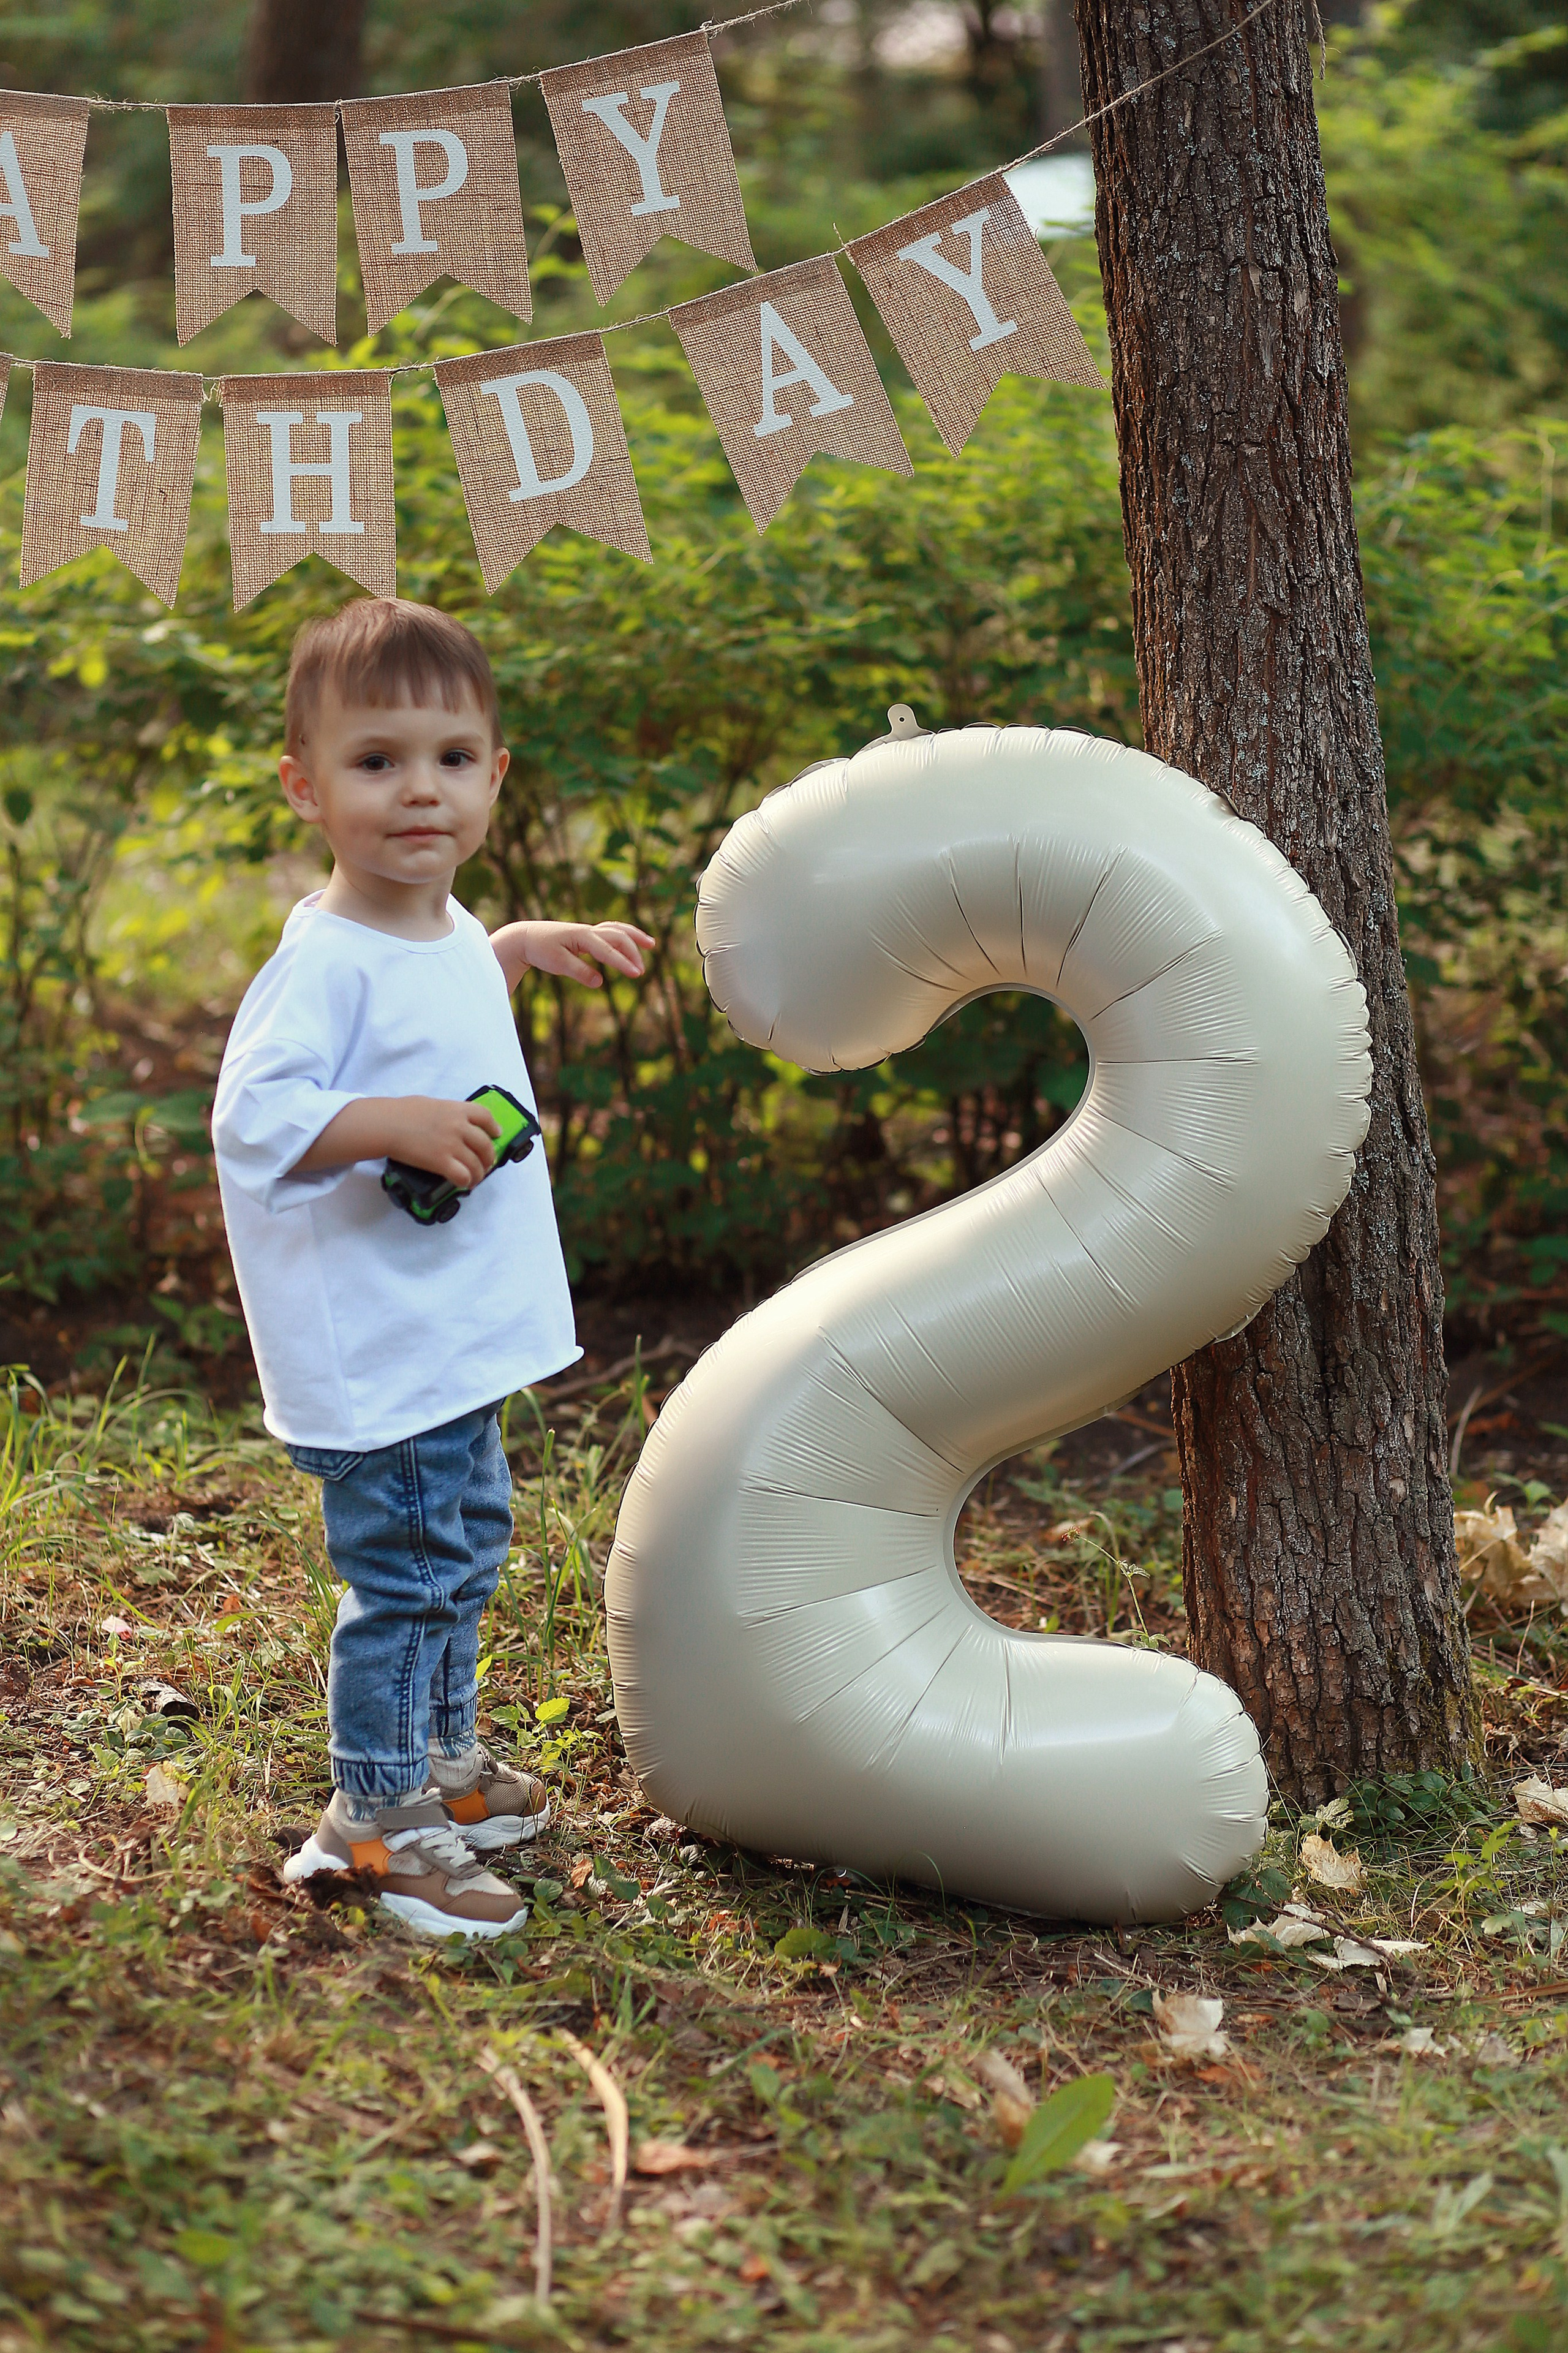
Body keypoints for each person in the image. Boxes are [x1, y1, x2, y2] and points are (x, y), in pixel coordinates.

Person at [213, 598, 652, 1939]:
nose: (422, 789)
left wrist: (516, 951)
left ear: (495, 777)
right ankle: (369, 1821)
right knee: (404, 1576)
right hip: (379, 1345)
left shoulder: (444, 926)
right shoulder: (322, 959)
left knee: (462, 1546)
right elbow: (252, 1119)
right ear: (305, 787)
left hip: (447, 1331)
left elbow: (439, 981)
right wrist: (385, 1125)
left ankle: (446, 1771)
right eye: (377, 760)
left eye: (454, 758)